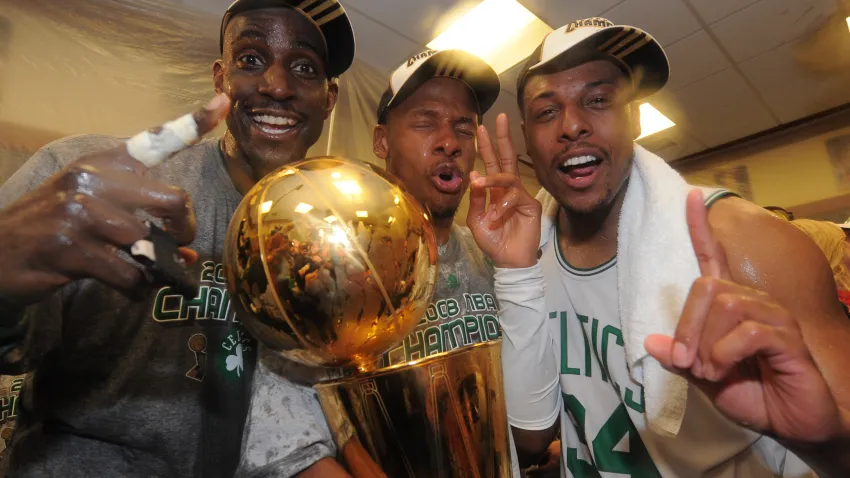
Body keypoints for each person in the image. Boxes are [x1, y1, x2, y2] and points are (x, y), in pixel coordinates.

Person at [467, 17, 850, 477]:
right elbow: (531, 439)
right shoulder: (532, 248)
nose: (571, 125)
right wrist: (515, 270)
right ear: (528, 137)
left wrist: (826, 444)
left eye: (598, 99)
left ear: (636, 117)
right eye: (547, 112)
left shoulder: (750, 244)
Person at [0, 0, 356, 475]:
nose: (277, 86)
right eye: (251, 59)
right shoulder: (101, 181)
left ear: (328, 98)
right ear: (219, 78)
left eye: (305, 67)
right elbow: (13, 340)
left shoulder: (328, 236)